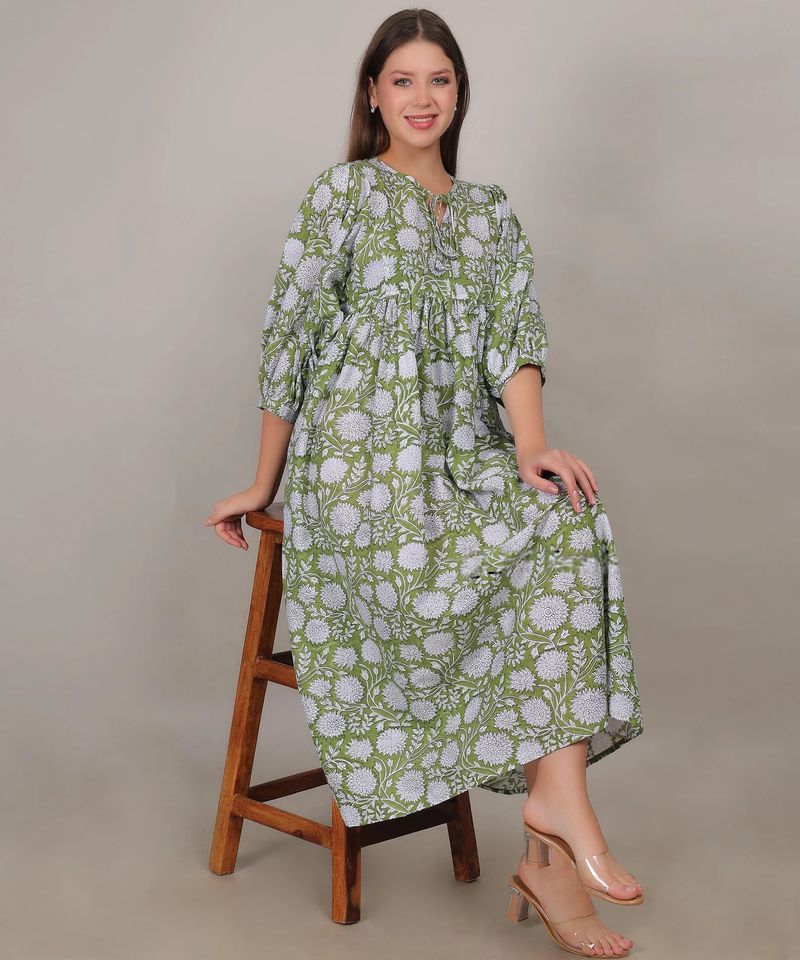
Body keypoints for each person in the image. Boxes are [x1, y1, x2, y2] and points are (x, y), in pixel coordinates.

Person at [206, 9, 644, 957]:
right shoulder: (342, 195)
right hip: (359, 469)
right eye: (401, 79)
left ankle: (554, 819)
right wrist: (261, 481)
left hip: (460, 455)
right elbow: (291, 343)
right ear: (373, 94)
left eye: (438, 79)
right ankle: (557, 838)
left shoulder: (490, 213)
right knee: (483, 552)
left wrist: (530, 446)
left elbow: (513, 341)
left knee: (568, 520)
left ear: (459, 93)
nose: (421, 97)